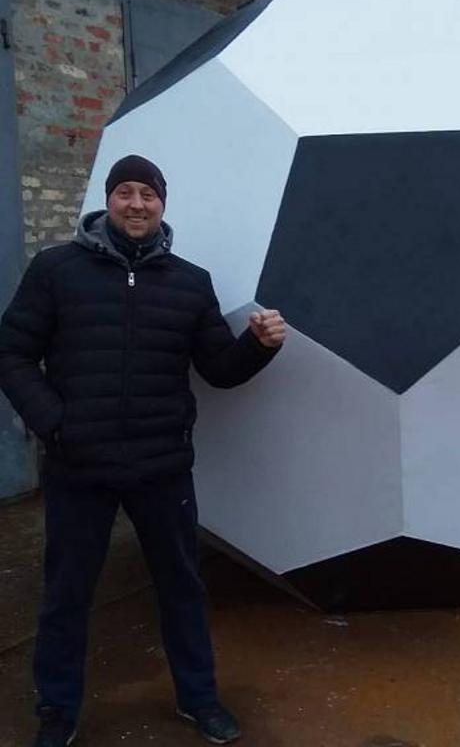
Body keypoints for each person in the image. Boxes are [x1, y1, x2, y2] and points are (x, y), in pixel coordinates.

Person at [0, 155, 286, 747]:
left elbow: (219, 368)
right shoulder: (56, 270)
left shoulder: (190, 282)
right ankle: (58, 710)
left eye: (147, 194)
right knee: (67, 594)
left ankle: (198, 698)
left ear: (162, 204)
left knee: (182, 587)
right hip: (79, 466)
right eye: (125, 192)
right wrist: (54, 423)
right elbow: (12, 353)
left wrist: (257, 345)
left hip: (161, 467)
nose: (136, 204)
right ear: (108, 200)